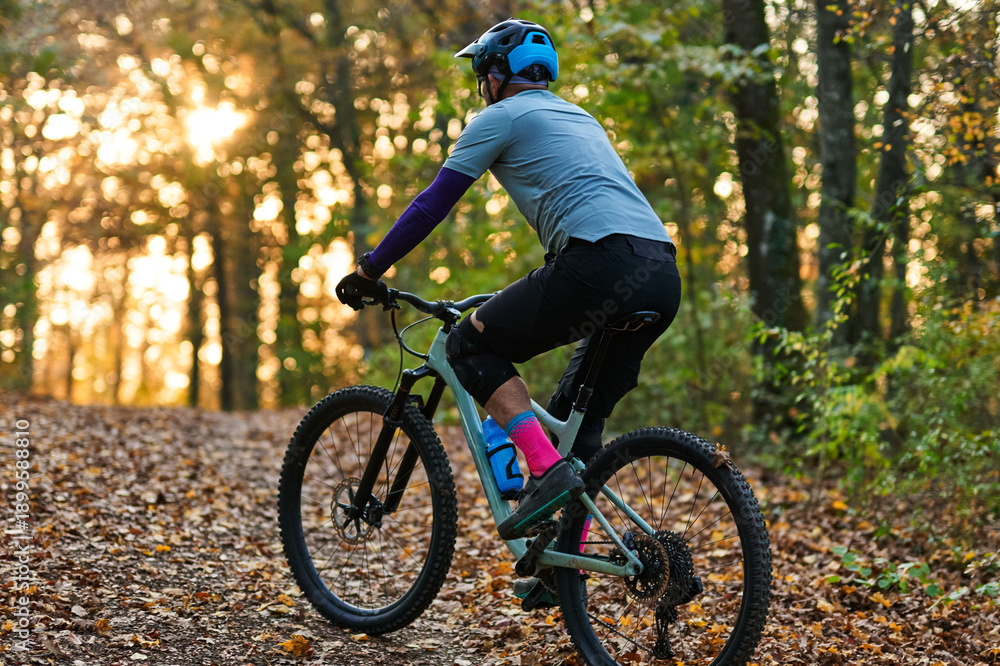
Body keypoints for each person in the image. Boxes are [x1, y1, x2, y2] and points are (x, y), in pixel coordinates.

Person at [336, 19, 681, 546]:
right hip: (659, 273)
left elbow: (432, 204)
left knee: (467, 344)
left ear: (497, 74)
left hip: (598, 263)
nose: (481, 85)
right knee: (576, 425)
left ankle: (542, 469)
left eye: (481, 74)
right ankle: (566, 561)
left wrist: (370, 270)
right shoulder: (580, 117)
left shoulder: (499, 117)